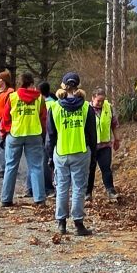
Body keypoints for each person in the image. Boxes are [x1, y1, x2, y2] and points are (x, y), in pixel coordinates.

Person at [46, 72, 97, 236]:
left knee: (61, 188)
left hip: (61, 152)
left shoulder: (54, 107)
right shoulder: (86, 107)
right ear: (78, 86)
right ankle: (78, 223)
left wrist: (49, 155)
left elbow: (51, 135)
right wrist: (93, 154)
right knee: (79, 189)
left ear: (63, 86)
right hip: (81, 152)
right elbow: (92, 134)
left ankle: (61, 223)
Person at [0, 71, 48, 207]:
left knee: (10, 166)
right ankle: (39, 199)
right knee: (36, 167)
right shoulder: (39, 98)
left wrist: (3, 134)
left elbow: (5, 118)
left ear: (20, 83)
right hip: (34, 134)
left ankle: (6, 199)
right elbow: (43, 118)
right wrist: (43, 134)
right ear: (31, 83)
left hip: (15, 134)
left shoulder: (13, 97)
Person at [87, 87, 120, 202]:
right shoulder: (86, 109)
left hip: (105, 145)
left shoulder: (108, 107)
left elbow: (114, 124)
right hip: (91, 146)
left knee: (106, 169)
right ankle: (87, 193)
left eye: (102, 100)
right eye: (98, 101)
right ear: (93, 98)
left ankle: (110, 191)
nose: (100, 103)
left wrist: (117, 139)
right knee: (90, 170)